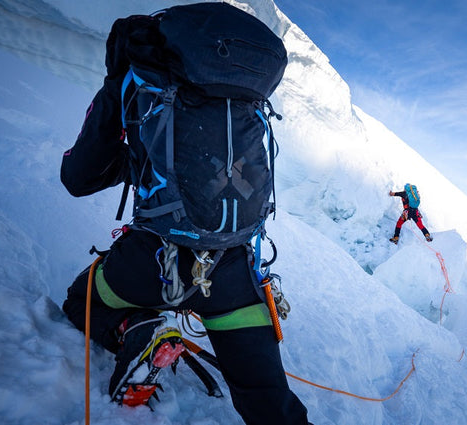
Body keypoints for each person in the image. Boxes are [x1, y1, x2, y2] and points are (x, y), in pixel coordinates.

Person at [59, 7, 310, 424]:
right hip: (233, 273)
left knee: (81, 301)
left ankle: (135, 331)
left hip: (150, 263)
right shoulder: (240, 96)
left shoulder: (134, 83)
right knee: (268, 397)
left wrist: (126, 141)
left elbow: (78, 177)